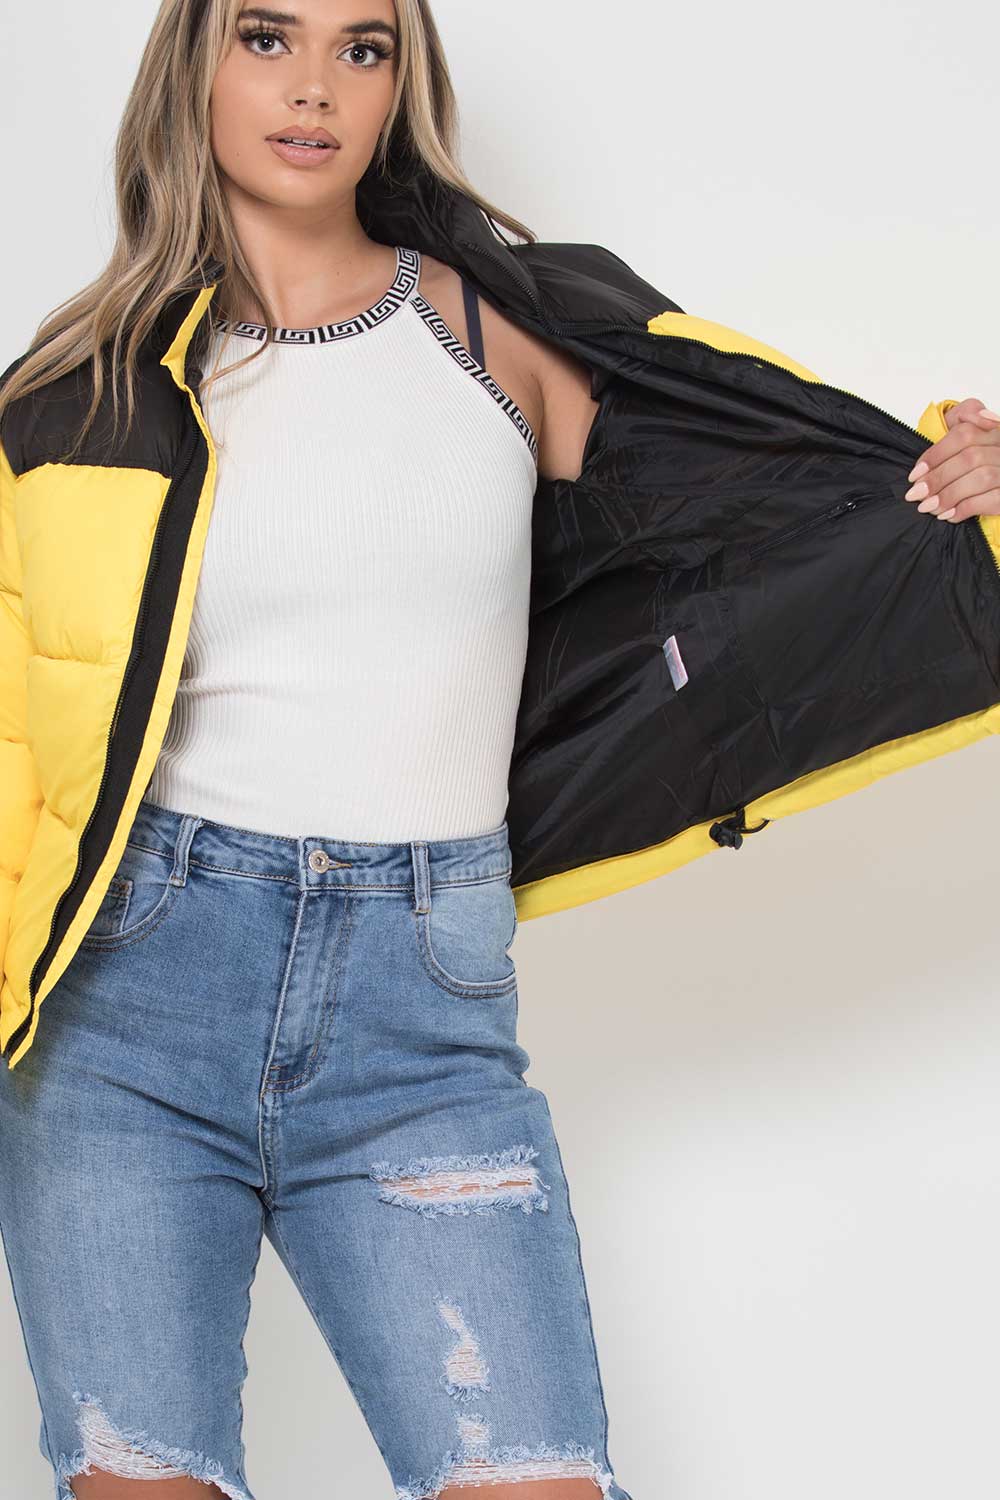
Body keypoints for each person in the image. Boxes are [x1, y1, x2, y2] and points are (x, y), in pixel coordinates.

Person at [2, 3, 999, 1499]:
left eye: (364, 48)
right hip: (124, 1015)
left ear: (403, 84)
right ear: (191, 64)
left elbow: (768, 521)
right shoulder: (75, 390)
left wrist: (969, 499)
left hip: (420, 1016)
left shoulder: (497, 335)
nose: (315, 88)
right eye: (267, 38)